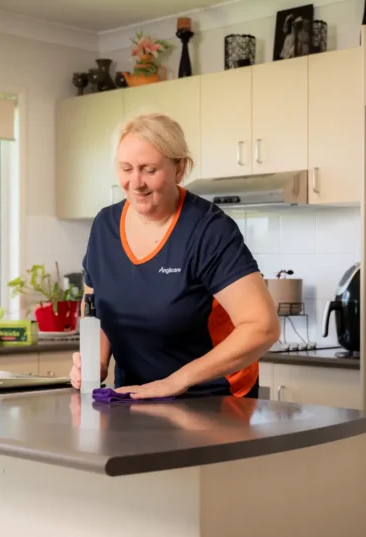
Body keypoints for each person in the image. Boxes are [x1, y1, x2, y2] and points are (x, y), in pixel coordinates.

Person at [69, 112, 280, 399]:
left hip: (214, 399)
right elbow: (95, 308)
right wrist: (97, 360)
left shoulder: (208, 230)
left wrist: (177, 381)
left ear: (180, 168)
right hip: (134, 397)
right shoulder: (105, 226)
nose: (136, 182)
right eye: (126, 169)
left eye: (149, 170)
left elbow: (262, 327)